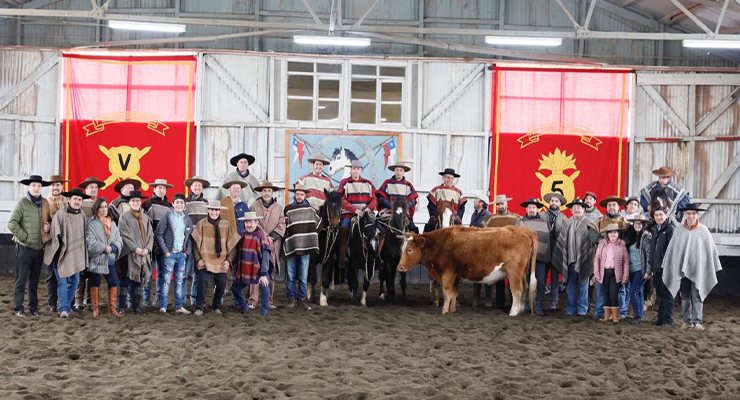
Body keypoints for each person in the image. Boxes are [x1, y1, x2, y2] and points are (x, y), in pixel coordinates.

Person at [661, 204, 722, 331]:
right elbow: (673, 250)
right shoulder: (679, 230)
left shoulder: (703, 230)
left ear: (697, 215)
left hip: (698, 269)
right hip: (682, 270)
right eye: (688, 213)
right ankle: (687, 321)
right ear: (685, 215)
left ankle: (697, 321)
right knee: (684, 295)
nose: (691, 216)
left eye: (693, 214)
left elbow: (709, 251)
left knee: (697, 295)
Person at [9, 175, 51, 317]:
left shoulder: (45, 203)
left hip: (39, 249)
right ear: (29, 187)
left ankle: (33, 308)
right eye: (33, 185)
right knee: (21, 279)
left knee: (34, 280)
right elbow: (12, 223)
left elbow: (48, 221)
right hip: (24, 248)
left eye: (39, 186)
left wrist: (48, 227)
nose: (36, 188)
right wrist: (25, 237)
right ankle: (18, 308)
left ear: (41, 188)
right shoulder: (22, 203)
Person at [44, 188, 89, 318]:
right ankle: (63, 309)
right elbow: (55, 236)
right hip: (60, 255)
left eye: (80, 200)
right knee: (62, 282)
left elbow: (82, 238)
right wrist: (58, 254)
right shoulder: (61, 214)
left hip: (75, 256)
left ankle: (67, 306)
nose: (77, 202)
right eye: (75, 199)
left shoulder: (82, 216)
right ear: (69, 199)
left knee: (74, 282)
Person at [293, 155, 333, 303]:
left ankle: (336, 255)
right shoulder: (304, 179)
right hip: (309, 214)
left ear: (323, 167)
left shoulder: (328, 182)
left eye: (321, 165)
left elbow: (332, 198)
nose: (318, 167)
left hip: (323, 216)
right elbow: (297, 191)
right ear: (312, 166)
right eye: (316, 164)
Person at [191, 200, 241, 316]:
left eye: (216, 210)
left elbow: (233, 245)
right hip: (205, 260)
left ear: (219, 211)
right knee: (202, 282)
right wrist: (199, 259)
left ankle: (216, 306)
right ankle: (199, 307)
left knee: (222, 283)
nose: (214, 212)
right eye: (212, 210)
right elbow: (195, 244)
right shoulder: (201, 224)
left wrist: (228, 261)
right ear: (208, 210)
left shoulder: (226, 224)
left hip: (221, 261)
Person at [590, 195, 630, 321]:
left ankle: (621, 312)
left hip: (619, 260)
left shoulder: (624, 222)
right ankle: (601, 311)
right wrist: (601, 241)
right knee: (602, 289)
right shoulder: (600, 221)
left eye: (614, 205)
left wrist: (624, 241)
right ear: (606, 207)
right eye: (609, 205)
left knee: (621, 289)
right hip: (603, 259)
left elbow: (630, 235)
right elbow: (591, 233)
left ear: (618, 207)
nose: (612, 207)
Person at [154, 193, 194, 314]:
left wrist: (186, 252)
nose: (179, 204)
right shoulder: (167, 217)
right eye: (177, 202)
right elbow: (158, 234)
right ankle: (163, 306)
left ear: (185, 206)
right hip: (169, 255)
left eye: (182, 203)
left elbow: (189, 237)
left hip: (181, 255)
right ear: (173, 204)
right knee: (166, 281)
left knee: (179, 281)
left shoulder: (187, 219)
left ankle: (179, 306)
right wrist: (165, 251)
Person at [553, 198, 593, 316]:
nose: (576, 210)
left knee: (584, 286)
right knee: (570, 286)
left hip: (585, 261)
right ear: (571, 210)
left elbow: (595, 241)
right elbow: (562, 242)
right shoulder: (568, 222)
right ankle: (570, 309)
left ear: (583, 209)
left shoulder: (589, 223)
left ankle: (582, 309)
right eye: (574, 208)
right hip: (570, 261)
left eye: (579, 208)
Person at [283, 184, 320, 311]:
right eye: (297, 194)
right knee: (291, 275)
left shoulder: (311, 209)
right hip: (292, 245)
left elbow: (318, 223)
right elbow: (284, 226)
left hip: (305, 246)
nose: (299, 196)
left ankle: (302, 299)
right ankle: (291, 298)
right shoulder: (288, 209)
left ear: (305, 195)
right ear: (295, 194)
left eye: (301, 194)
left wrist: (311, 238)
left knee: (303, 275)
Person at [249, 181, 286, 310]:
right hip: (258, 242)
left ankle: (269, 300)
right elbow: (252, 223)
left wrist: (271, 238)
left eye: (269, 191)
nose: (266, 193)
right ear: (261, 192)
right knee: (255, 270)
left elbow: (282, 225)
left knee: (270, 271)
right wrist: (264, 236)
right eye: (264, 191)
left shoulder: (278, 207)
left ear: (272, 192)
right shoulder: (254, 206)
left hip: (273, 243)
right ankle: (253, 300)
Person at [117, 190, 154, 316]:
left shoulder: (146, 218)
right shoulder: (124, 217)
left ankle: (136, 307)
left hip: (143, 254)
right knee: (125, 280)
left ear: (141, 202)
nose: (135, 203)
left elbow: (150, 236)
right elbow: (123, 234)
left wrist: (147, 249)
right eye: (133, 201)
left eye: (138, 200)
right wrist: (135, 248)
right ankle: (121, 306)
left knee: (138, 281)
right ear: (129, 202)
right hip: (129, 254)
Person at [337, 160, 377, 271]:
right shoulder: (344, 183)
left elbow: (374, 199)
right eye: (353, 168)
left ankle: (376, 256)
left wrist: (367, 209)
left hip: (366, 214)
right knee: (344, 228)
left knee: (379, 230)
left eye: (358, 168)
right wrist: (355, 210)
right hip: (349, 214)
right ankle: (343, 255)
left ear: (361, 170)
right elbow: (342, 199)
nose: (355, 171)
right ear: (351, 170)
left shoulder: (368, 183)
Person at [85, 198, 123, 317]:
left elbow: (119, 239)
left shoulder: (112, 223)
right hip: (97, 258)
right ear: (96, 209)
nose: (104, 209)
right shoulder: (91, 223)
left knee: (113, 282)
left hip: (109, 258)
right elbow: (89, 241)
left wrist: (113, 247)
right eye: (101, 207)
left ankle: (112, 308)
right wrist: (103, 247)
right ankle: (95, 308)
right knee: (95, 281)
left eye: (106, 206)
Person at [233, 212, 274, 316]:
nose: (249, 225)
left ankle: (264, 311)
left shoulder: (261, 235)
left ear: (256, 222)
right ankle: (244, 306)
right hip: (245, 267)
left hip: (259, 268)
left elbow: (265, 256)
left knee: (264, 286)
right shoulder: (242, 234)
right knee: (235, 288)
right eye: (246, 222)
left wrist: (264, 273)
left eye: (251, 222)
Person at [485, 194, 521, 311]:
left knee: (512, 278)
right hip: (496, 255)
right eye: (498, 204)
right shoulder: (490, 220)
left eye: (502, 204)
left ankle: (513, 303)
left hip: (511, 254)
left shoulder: (516, 218)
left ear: (507, 204)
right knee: (499, 280)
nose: (500, 206)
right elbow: (482, 234)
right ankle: (499, 304)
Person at [74, 176, 106, 312]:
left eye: (96, 187)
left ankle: (90, 300)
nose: (94, 189)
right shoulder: (81, 205)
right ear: (86, 189)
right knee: (81, 274)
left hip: (96, 246)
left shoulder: (102, 206)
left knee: (95, 274)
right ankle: (78, 301)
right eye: (91, 187)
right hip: (82, 245)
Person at [142, 178, 173, 308]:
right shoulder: (147, 204)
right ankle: (146, 300)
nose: (162, 190)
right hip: (151, 245)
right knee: (148, 274)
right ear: (154, 189)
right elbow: (145, 225)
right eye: (159, 188)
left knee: (162, 274)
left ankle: (159, 298)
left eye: (164, 188)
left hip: (164, 246)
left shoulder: (170, 206)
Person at [516, 198, 550, 316]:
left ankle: (538, 307)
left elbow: (546, 240)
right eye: (529, 207)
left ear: (537, 209)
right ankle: (525, 306)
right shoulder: (520, 222)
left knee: (540, 284)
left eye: (534, 207)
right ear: (526, 209)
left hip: (540, 259)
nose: (531, 210)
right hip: (524, 260)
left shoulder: (544, 223)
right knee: (525, 283)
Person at [593, 224, 629, 324]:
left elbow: (626, 262)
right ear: (607, 234)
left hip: (616, 274)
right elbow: (597, 259)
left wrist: (625, 276)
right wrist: (597, 274)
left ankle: (615, 317)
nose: (613, 235)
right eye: (611, 233)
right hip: (604, 273)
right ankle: (607, 316)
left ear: (618, 234)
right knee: (606, 295)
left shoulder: (621, 246)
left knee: (614, 295)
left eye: (615, 232)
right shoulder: (602, 244)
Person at [42, 175, 68, 313]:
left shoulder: (67, 201)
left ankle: (65, 301)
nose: (55, 187)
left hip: (65, 242)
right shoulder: (45, 201)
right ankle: (52, 303)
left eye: (58, 185)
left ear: (62, 187)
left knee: (66, 272)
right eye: (53, 185)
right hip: (51, 242)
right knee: (51, 274)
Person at [646, 205, 675, 327]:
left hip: (667, 267)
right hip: (657, 267)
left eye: (660, 215)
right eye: (656, 215)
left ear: (666, 215)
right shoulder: (655, 229)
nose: (658, 217)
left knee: (667, 294)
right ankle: (660, 318)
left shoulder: (670, 229)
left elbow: (672, 249)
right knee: (660, 294)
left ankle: (667, 320)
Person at [184, 176, 210, 306]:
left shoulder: (206, 203)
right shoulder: (184, 202)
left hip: (201, 241)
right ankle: (182, 300)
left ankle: (194, 299)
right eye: (195, 185)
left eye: (200, 186)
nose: (197, 188)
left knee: (198, 272)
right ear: (191, 187)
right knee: (184, 272)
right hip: (188, 240)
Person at [624, 214, 652, 324]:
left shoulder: (646, 237)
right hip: (632, 269)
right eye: (636, 223)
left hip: (641, 269)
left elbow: (649, 255)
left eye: (640, 224)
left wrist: (648, 271)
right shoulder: (633, 236)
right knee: (638, 292)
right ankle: (639, 315)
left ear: (643, 225)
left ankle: (638, 315)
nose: (637, 225)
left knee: (633, 292)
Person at [376, 161, 419, 234]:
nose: (399, 172)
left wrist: (404, 208)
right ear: (394, 171)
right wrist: (392, 206)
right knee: (377, 225)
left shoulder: (408, 185)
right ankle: (379, 244)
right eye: (397, 170)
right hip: (389, 210)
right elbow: (381, 197)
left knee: (412, 228)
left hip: (403, 212)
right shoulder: (387, 182)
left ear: (403, 172)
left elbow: (413, 200)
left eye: (401, 170)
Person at [542, 192, 567, 312]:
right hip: (544, 252)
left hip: (557, 253)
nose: (554, 203)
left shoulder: (564, 218)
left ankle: (553, 304)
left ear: (560, 204)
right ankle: (539, 302)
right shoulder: (541, 216)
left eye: (556, 201)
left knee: (555, 281)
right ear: (549, 202)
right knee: (541, 279)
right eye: (552, 201)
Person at [469, 192, 493, 308]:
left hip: (486, 249)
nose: (474, 201)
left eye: (476, 199)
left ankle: (488, 299)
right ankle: (476, 298)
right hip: (475, 249)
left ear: (481, 203)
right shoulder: (473, 215)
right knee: (475, 274)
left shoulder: (489, 216)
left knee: (487, 274)